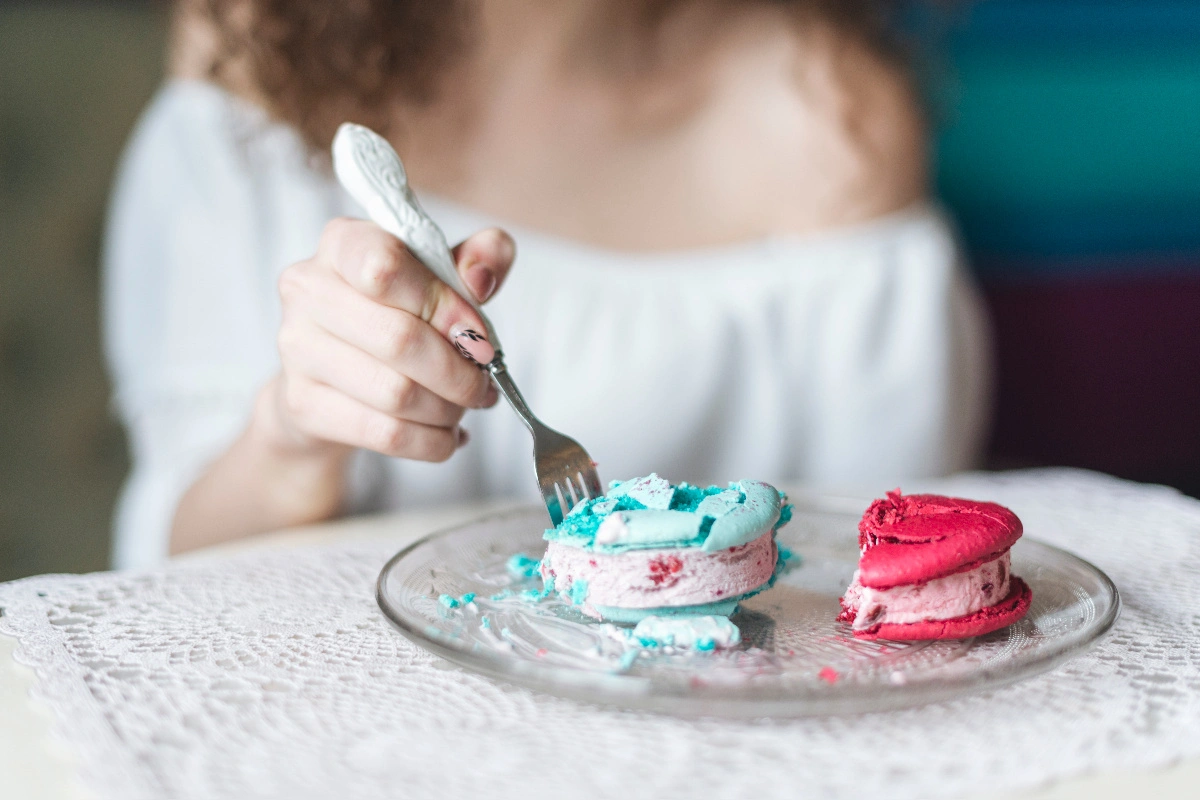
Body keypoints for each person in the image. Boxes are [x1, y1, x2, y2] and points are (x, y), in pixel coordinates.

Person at [104, 0, 990, 568]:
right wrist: (293, 440)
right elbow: (173, 574)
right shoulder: (252, 44)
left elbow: (885, 575)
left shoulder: (824, 115)